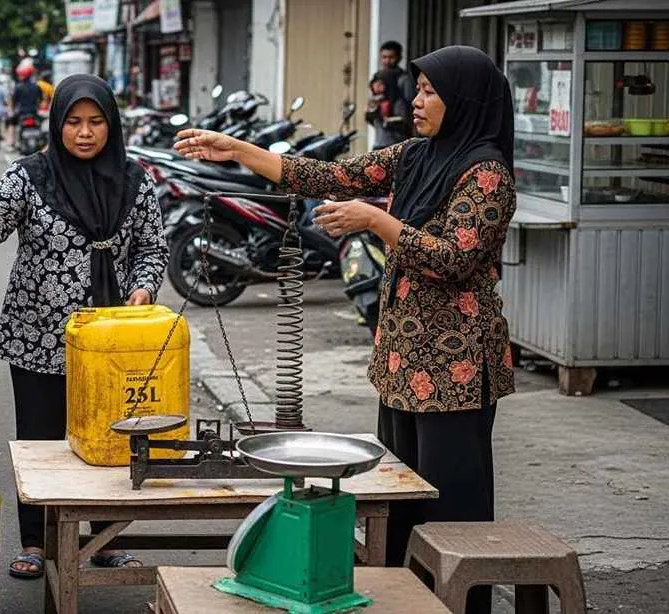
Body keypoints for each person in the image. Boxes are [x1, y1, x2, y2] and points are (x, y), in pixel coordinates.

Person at [174, 45, 515, 614]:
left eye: (431, 91)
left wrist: (377, 221)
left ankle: (459, 605)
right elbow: (325, 174)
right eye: (420, 88)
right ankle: (408, 602)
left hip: (454, 370)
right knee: (400, 498)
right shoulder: (415, 156)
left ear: (467, 100)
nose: (417, 101)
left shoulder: (487, 175)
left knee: (451, 506)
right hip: (404, 361)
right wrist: (236, 151)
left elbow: (453, 258)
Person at [0, 74, 169, 579]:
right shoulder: (29, 176)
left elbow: (151, 246)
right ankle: (35, 542)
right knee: (40, 441)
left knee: (111, 438)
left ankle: (104, 539)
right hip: (37, 335)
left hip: (114, 339)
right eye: (74, 122)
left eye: (95, 121)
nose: (84, 132)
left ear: (111, 124)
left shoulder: (136, 179)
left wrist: (143, 288)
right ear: (57, 125)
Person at [372, 40, 415, 148]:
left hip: (398, 140)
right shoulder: (378, 78)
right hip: (380, 139)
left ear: (399, 57)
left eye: (391, 57)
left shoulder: (403, 79)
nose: (387, 61)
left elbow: (410, 106)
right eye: (384, 57)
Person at [367, 71, 411, 149]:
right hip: (379, 143)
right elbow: (372, 121)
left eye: (381, 84)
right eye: (375, 84)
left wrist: (386, 120)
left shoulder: (397, 102)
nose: (377, 87)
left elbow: (403, 122)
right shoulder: (375, 101)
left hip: (394, 144)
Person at [6, 63, 43, 150]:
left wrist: (11, 110)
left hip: (21, 113)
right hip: (34, 112)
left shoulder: (18, 87)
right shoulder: (36, 86)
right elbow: (40, 100)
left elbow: (14, 101)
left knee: (11, 123)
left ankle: (11, 143)